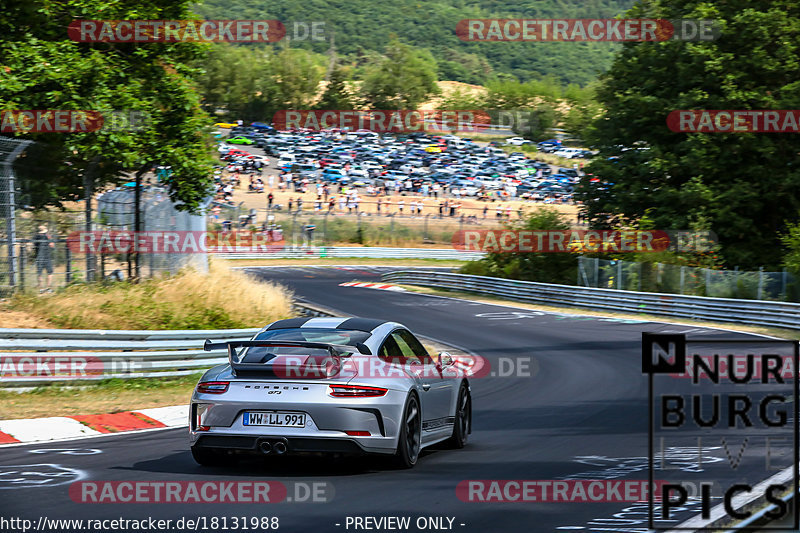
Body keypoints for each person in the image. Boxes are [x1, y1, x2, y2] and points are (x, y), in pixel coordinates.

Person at [33, 225, 54, 292]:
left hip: (39, 257)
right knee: (50, 272)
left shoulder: (36, 237)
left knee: (39, 273)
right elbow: (52, 246)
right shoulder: (48, 236)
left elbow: (34, 246)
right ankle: (48, 287)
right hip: (47, 256)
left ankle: (41, 288)